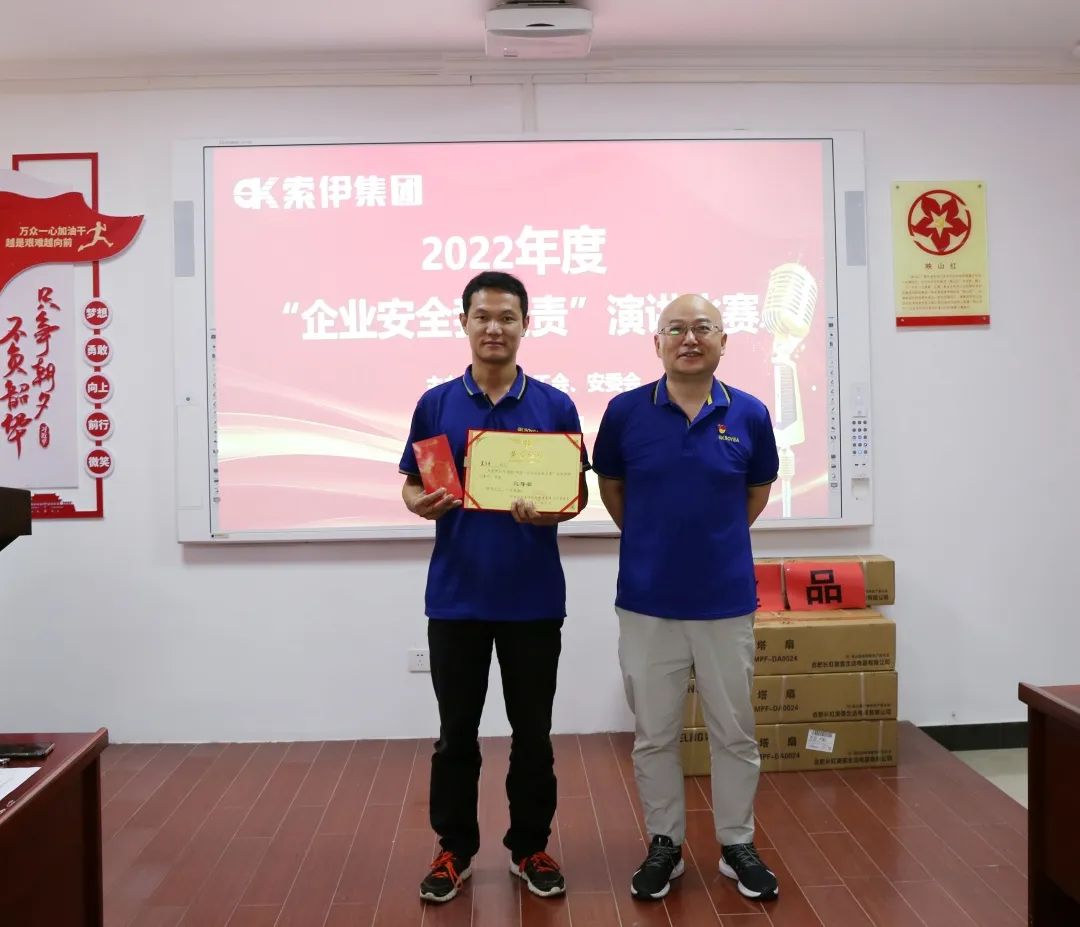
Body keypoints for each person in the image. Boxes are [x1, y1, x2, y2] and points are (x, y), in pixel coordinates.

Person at [399, 271, 589, 904]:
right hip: (457, 597)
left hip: (533, 600)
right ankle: (453, 850)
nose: (494, 328)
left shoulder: (555, 406)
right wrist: (420, 503)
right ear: (464, 323)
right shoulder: (436, 404)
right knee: (456, 735)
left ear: (525, 325)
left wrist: (552, 511)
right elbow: (412, 483)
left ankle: (530, 847)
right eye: (482, 316)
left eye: (507, 317)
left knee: (533, 735)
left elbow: (576, 497)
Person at [592, 293, 780, 902]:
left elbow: (755, 493)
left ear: (724, 341)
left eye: (703, 328)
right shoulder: (625, 412)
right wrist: (654, 543)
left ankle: (736, 844)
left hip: (725, 602)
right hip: (647, 601)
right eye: (676, 328)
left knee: (735, 733)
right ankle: (664, 845)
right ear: (657, 342)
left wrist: (710, 544)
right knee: (654, 734)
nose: (689, 338)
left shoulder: (750, 414)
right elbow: (613, 489)